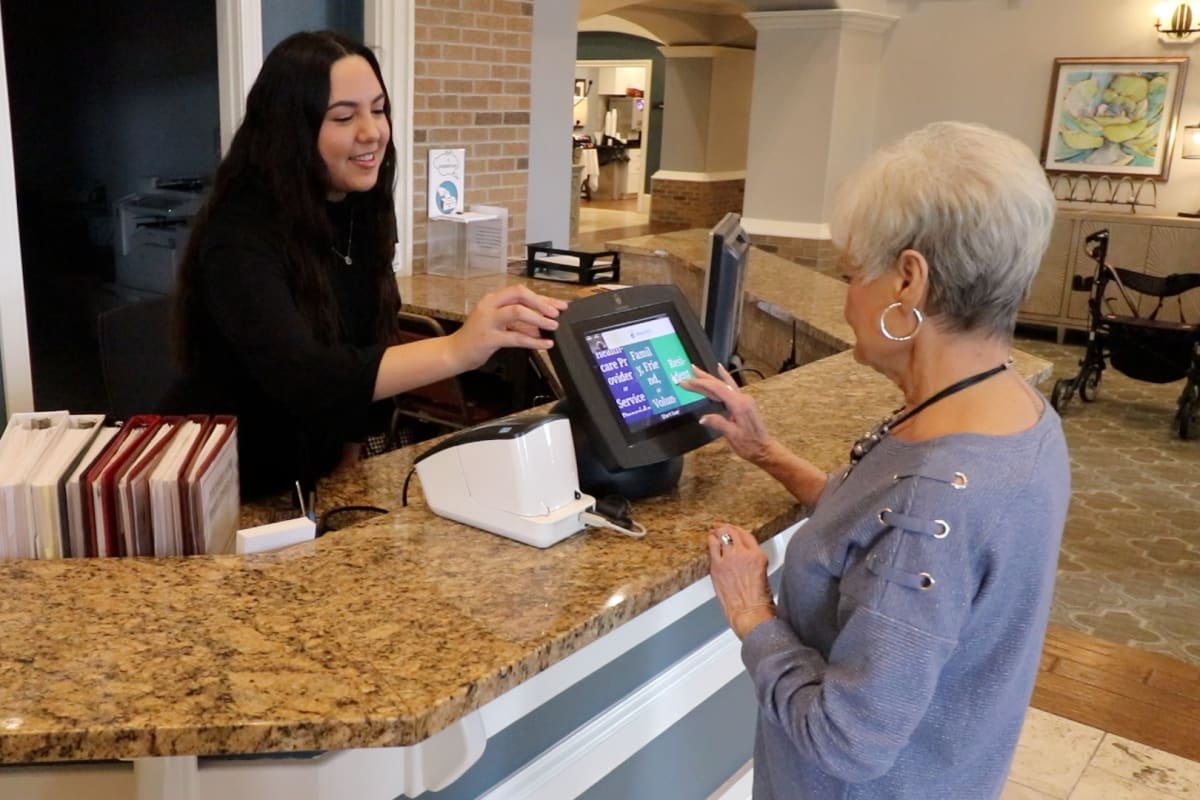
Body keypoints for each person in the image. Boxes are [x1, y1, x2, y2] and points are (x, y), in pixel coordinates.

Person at [682, 121, 1070, 799]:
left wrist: (752, 612)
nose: (846, 300)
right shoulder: (1022, 415)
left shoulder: (938, 501)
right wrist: (768, 453)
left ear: (909, 280)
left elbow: (846, 740)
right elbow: (880, 534)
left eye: (852, 273)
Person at [166, 31, 565, 498]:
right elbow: (304, 376)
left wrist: (350, 456)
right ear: (290, 129)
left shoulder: (361, 210)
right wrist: (459, 348)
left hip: (314, 477)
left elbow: (370, 335)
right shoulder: (238, 235)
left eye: (378, 109)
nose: (371, 131)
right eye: (343, 116)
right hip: (226, 484)